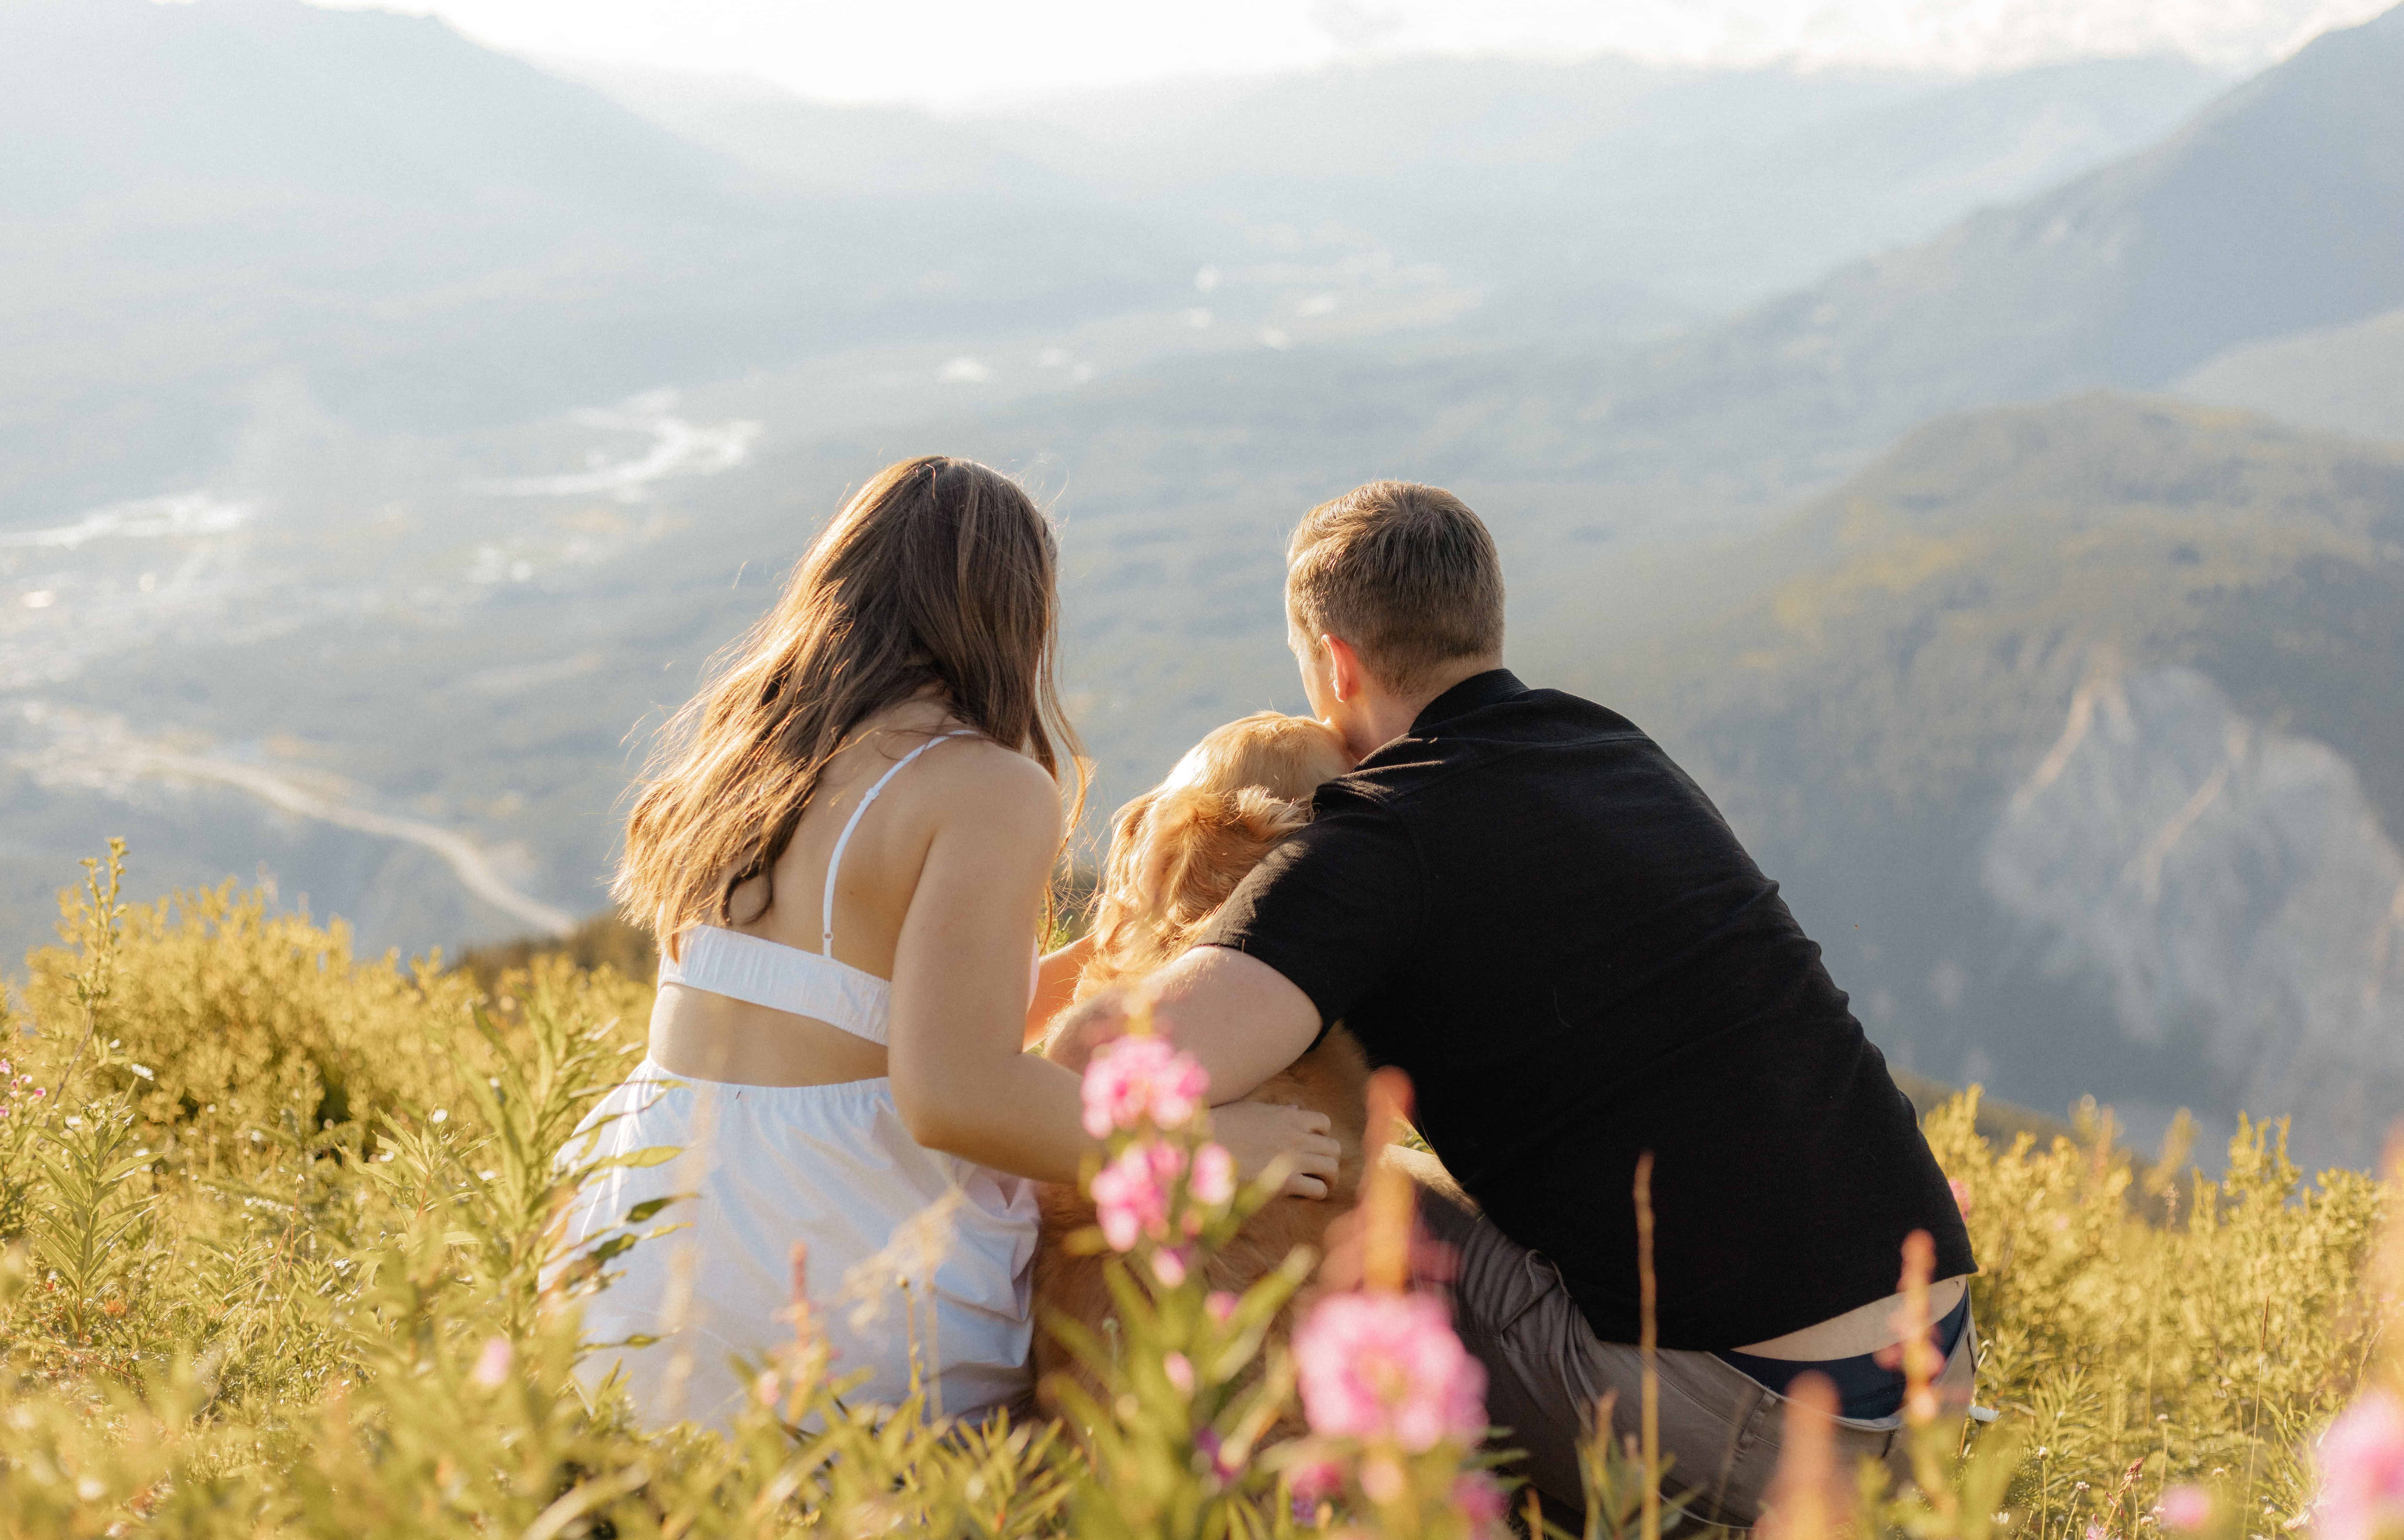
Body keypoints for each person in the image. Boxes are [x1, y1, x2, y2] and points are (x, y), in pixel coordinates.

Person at [1139, 481, 1979, 1524]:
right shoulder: (1615, 750)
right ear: (1485, 626)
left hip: (1753, 1436)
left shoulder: (1380, 840)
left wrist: (1227, 1127)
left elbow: (1117, 1073)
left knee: (1344, 1190)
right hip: (1939, 1389)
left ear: (1336, 666)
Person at [558, 455, 1341, 1429]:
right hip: (827, 1270)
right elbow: (955, 1095)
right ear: (1014, 617)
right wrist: (1210, 1146)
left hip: (641, 1266)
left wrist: (1098, 962)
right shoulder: (983, 784)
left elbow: (859, 1018)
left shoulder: (741, 760)